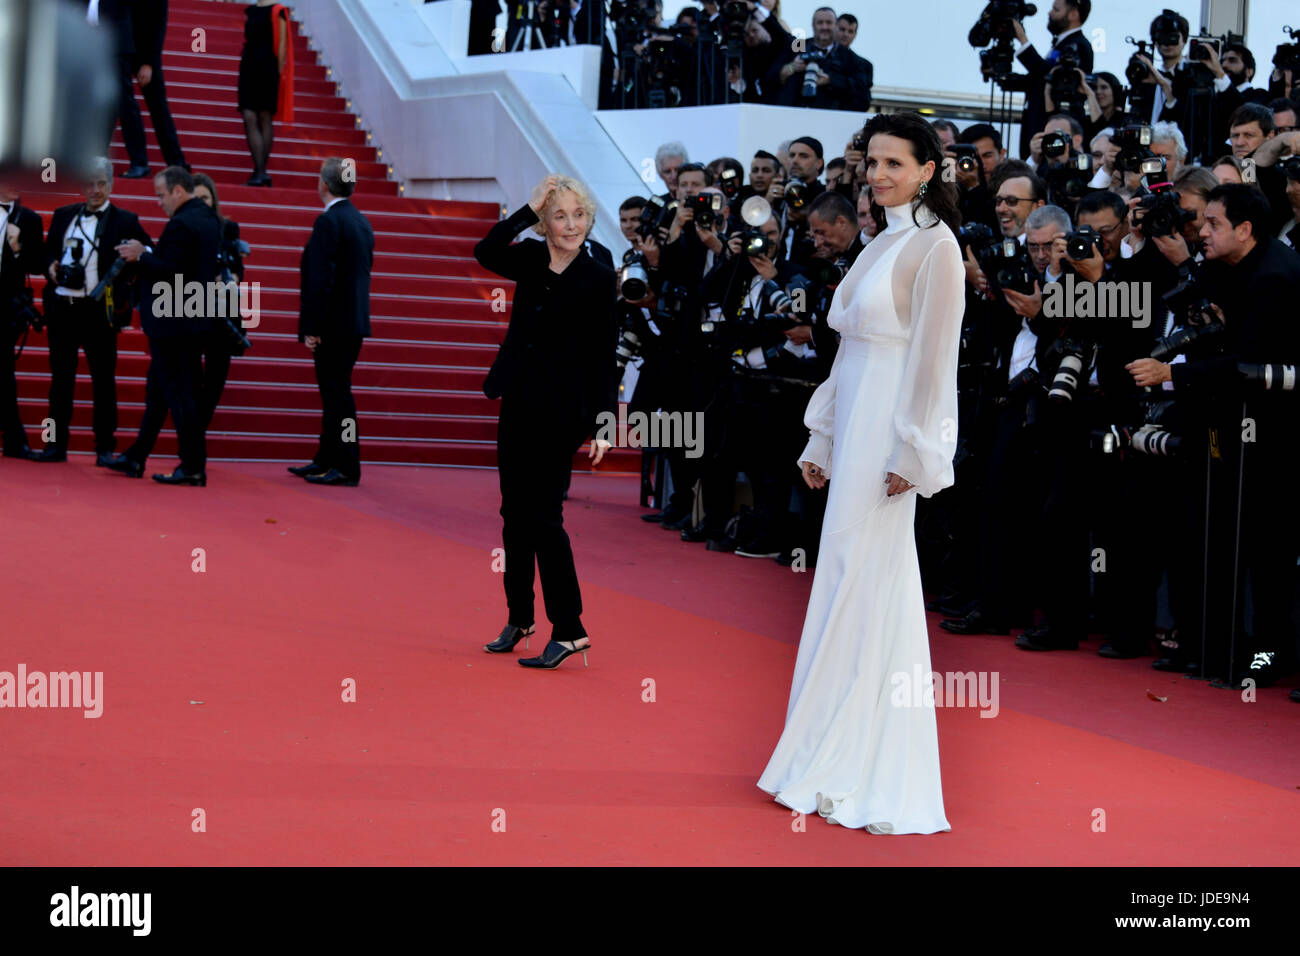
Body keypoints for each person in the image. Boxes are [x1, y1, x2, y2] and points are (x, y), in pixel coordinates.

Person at [758, 111, 965, 834]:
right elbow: (849, 353)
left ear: (928, 169)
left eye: (893, 164)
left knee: (870, 580)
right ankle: (820, 749)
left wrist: (916, 451)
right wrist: (822, 434)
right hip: (855, 433)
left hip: (888, 441)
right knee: (843, 574)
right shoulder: (877, 242)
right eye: (871, 163)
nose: (877, 175)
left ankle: (861, 763)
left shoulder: (937, 248)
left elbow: (935, 362)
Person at [474, 174, 618, 670]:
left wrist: (603, 422)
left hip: (564, 411)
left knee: (542, 517)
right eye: (560, 215)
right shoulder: (531, 259)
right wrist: (526, 207)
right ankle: (520, 616)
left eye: (579, 215)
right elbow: (486, 251)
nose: (571, 224)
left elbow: (604, 355)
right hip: (518, 399)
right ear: (544, 222)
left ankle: (571, 627)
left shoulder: (600, 275)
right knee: (513, 512)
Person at [33, 158, 151, 463]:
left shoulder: (126, 220)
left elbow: (149, 251)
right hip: (63, 308)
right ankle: (54, 445)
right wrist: (50, 267)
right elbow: (46, 253)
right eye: (89, 183)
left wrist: (133, 263)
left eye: (100, 183)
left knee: (103, 381)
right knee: (60, 381)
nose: (94, 189)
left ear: (111, 184)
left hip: (100, 311)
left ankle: (104, 448)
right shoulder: (63, 215)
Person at [106, 166, 219, 485]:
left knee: (180, 396)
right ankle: (136, 456)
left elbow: (171, 272)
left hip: (174, 324)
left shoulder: (183, 223)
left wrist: (142, 255)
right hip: (192, 319)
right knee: (159, 393)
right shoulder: (208, 219)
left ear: (179, 192)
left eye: (161, 195)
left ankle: (193, 466)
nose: (159, 202)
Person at [289, 159, 375, 486]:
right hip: (352, 323)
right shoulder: (362, 222)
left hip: (332, 325)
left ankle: (346, 464)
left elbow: (319, 279)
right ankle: (326, 458)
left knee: (338, 396)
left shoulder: (329, 222)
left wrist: (312, 326)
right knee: (335, 394)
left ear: (324, 185)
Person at [0, 185, 45, 459]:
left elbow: (38, 264)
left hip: (6, 307)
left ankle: (15, 439)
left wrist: (17, 248)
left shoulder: (30, 219)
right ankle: (15, 438)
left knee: (4, 369)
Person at [238, 0, 294, 186]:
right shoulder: (251, 10)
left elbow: (283, 45)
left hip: (268, 68)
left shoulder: (278, 11)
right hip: (248, 66)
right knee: (248, 116)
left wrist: (277, 73)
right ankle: (260, 171)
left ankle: (260, 171)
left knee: (264, 117)